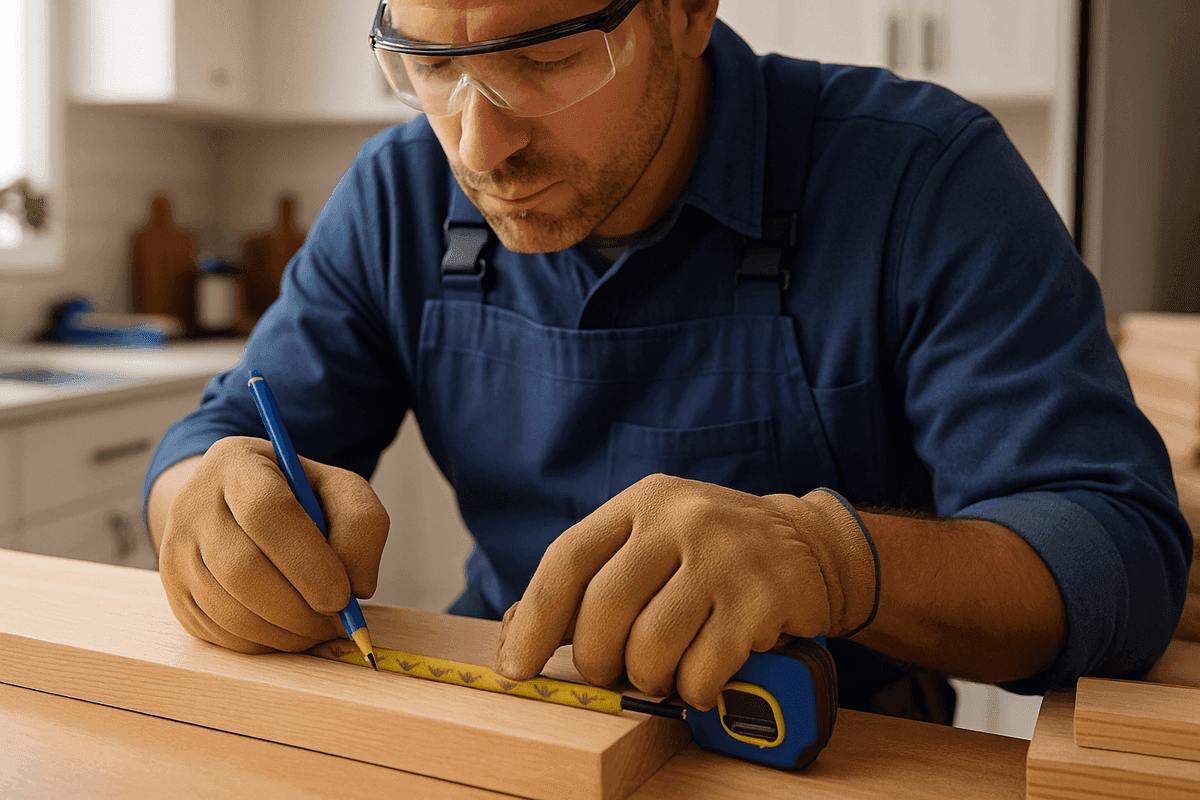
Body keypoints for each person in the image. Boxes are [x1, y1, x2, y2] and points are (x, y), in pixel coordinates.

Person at [144, 0, 1192, 723]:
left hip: (818, 746)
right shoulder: (400, 194)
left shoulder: (922, 179)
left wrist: (827, 556)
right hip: (509, 717)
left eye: (546, 60)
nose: (477, 147)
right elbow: (223, 434)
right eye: (430, 65)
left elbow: (1123, 551)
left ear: (689, 11)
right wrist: (203, 497)